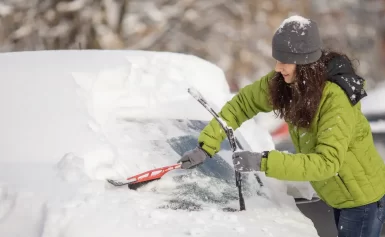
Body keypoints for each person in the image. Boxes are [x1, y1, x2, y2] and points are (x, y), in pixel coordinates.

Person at [177, 15, 385, 237]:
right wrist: (206, 145)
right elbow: (243, 103)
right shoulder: (287, 84)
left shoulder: (335, 99)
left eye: (284, 61)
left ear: (304, 63)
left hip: (362, 200)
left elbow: (328, 162)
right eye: (277, 60)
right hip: (337, 194)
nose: (278, 68)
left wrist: (263, 161)